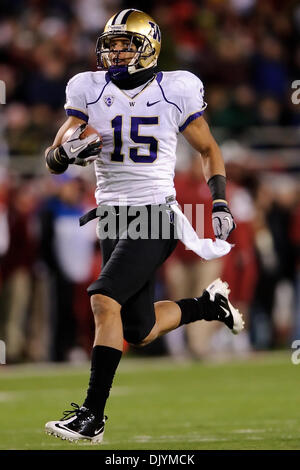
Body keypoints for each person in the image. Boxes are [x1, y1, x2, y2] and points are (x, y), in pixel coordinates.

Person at [44, 9, 243, 443]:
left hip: (154, 211)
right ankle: (208, 307)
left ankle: (91, 418)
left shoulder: (176, 88)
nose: (114, 51)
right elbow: (53, 156)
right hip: (112, 215)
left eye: (125, 44)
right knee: (139, 329)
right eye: (110, 43)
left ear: (149, 47)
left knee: (103, 299)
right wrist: (69, 153)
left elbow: (209, 149)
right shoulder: (88, 88)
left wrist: (221, 201)